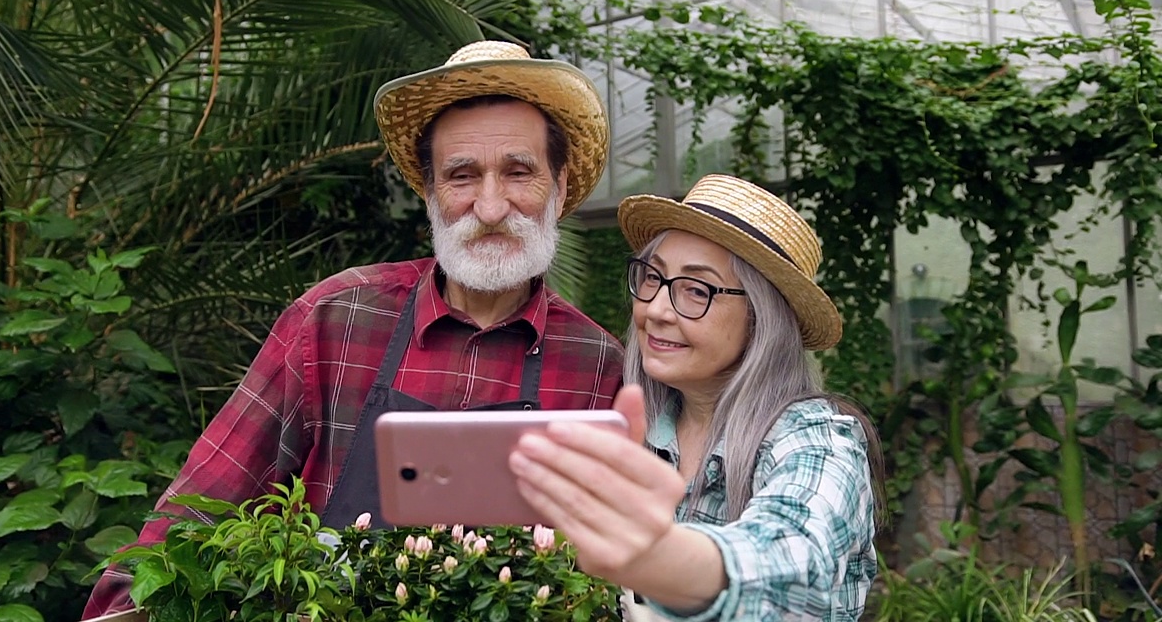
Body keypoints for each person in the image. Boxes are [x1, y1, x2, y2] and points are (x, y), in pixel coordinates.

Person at [82, 41, 624, 618]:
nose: (490, 207)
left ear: (559, 186)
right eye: (462, 175)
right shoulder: (336, 319)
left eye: (519, 172)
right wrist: (124, 605)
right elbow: (200, 507)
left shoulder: (599, 367)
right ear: (431, 192)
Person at [509, 174, 885, 621]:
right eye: (654, 278)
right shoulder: (634, 430)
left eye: (697, 290)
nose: (657, 311)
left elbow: (795, 554)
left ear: (760, 319)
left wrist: (665, 558)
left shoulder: (818, 440)